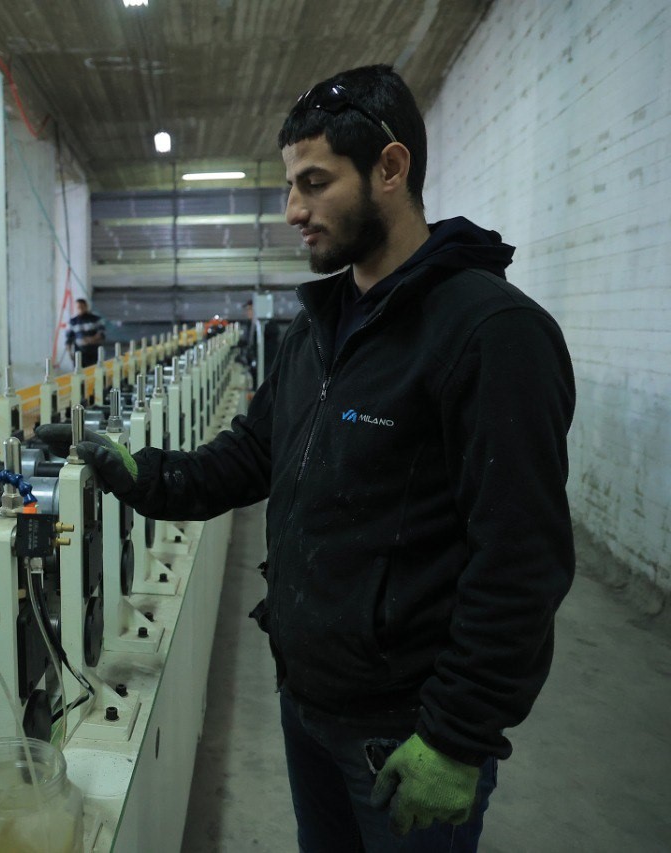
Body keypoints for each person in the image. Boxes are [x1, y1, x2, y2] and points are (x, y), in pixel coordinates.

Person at [38, 64, 574, 851]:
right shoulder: (316, 329)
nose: (293, 210)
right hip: (305, 701)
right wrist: (142, 473)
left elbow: (521, 557)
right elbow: (255, 454)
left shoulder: (490, 332)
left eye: (315, 183)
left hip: (405, 733)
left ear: (390, 169)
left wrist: (457, 735)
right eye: (291, 185)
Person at [67, 298, 105, 367]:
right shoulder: (73, 322)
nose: (80, 309)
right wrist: (70, 353)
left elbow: (101, 333)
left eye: (82, 307)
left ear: (86, 307)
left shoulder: (95, 319)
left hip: (93, 352)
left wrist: (90, 339)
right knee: (79, 374)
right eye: (78, 307)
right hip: (79, 353)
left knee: (94, 372)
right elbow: (69, 339)